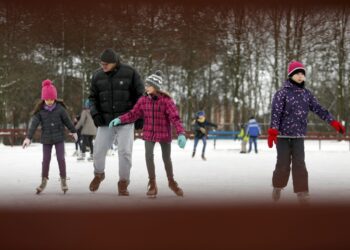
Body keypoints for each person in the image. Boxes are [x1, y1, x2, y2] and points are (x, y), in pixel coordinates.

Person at [268, 61, 345, 204]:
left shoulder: (306, 94)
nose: (300, 76)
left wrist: (333, 122)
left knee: (300, 164)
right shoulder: (282, 93)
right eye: (297, 73)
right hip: (283, 136)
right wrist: (273, 130)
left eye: (302, 73)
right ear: (290, 75)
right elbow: (276, 113)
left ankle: (302, 192)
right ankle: (277, 186)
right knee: (283, 164)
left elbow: (319, 109)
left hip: (298, 136)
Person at [109, 70, 187, 198]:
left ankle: (171, 182)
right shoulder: (143, 100)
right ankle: (152, 183)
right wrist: (120, 119)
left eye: (148, 85)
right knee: (148, 156)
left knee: (166, 159)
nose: (146, 88)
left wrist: (181, 133)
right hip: (149, 133)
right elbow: (133, 114)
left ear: (156, 87)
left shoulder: (166, 101)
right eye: (146, 85)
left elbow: (175, 118)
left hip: (163, 133)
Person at [88, 48, 144, 196]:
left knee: (125, 151)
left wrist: (140, 116)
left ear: (114, 63)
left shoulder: (130, 72)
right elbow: (92, 98)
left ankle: (123, 182)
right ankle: (99, 174)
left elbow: (140, 96)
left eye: (106, 64)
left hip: (126, 120)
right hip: (105, 121)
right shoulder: (97, 76)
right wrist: (95, 114)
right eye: (102, 63)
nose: (103, 66)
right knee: (98, 150)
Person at [22, 79, 77, 194]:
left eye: (52, 99)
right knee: (46, 160)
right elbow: (33, 125)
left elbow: (67, 121)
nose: (50, 101)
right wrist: (28, 137)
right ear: (44, 99)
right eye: (47, 99)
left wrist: (74, 131)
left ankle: (63, 180)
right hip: (46, 139)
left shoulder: (60, 109)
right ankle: (43, 180)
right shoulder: (40, 111)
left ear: (55, 98)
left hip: (59, 138)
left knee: (61, 159)